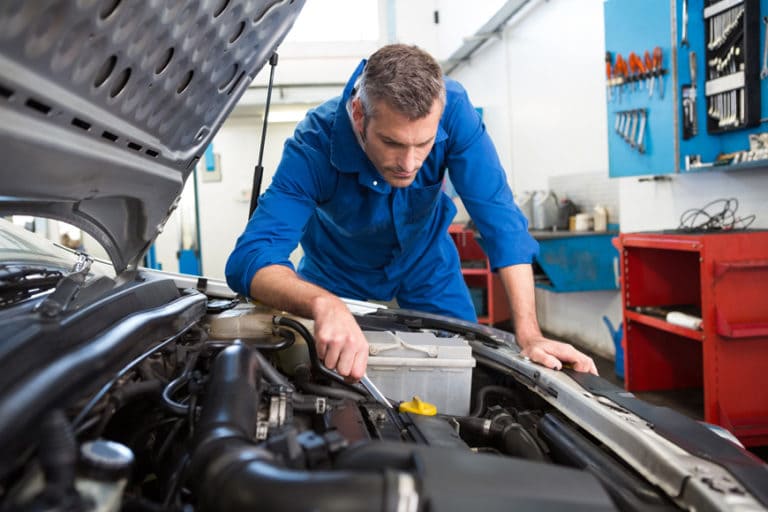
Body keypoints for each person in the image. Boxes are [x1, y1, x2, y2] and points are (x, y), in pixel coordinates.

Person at [226, 44, 597, 380]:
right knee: (322, 375)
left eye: (425, 143)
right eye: (391, 142)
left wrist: (529, 335)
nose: (409, 163)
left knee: (466, 369)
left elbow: (501, 221)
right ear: (358, 114)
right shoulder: (313, 145)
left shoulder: (455, 109)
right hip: (335, 275)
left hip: (427, 266)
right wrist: (321, 303)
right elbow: (251, 257)